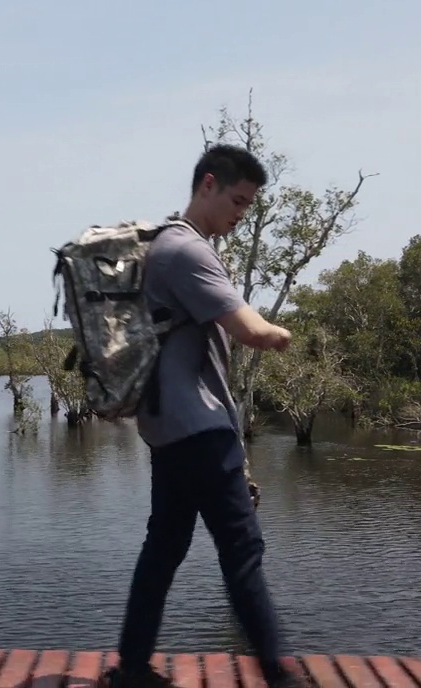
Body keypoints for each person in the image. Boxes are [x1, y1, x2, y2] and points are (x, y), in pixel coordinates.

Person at [103, 144, 304, 688]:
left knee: (164, 547)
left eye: (249, 204)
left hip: (169, 430)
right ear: (207, 185)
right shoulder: (187, 251)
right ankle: (282, 671)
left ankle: (132, 667)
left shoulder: (160, 247)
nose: (241, 213)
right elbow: (252, 330)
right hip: (201, 428)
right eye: (238, 200)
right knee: (243, 549)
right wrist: (284, 335)